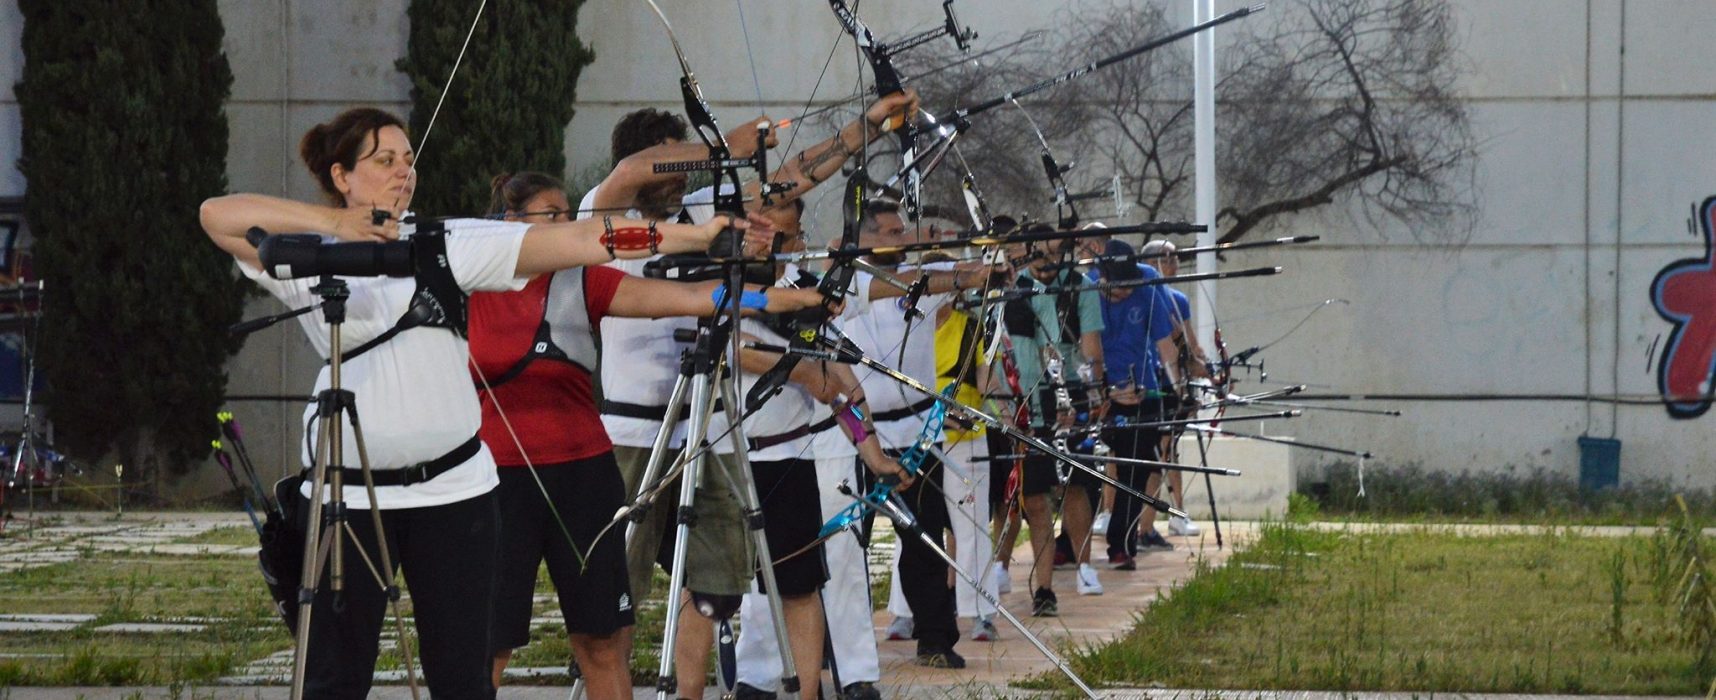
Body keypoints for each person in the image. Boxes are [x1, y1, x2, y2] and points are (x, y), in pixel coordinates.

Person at [199, 107, 758, 699]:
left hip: (455, 496)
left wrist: (696, 235)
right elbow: (217, 215)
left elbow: (580, 237)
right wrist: (337, 227)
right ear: (342, 175)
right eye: (384, 160)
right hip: (350, 497)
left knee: (463, 679)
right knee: (335, 675)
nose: (403, 172)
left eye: (408, 159)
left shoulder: (446, 241)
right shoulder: (306, 253)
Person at [585, 91, 920, 700]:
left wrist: (862, 129)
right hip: (634, 433)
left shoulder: (697, 215)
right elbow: (632, 174)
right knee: (616, 599)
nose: (685, 172)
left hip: (706, 430)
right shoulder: (601, 214)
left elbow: (790, 182)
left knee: (714, 587)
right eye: (673, 159)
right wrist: (719, 149)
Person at [467, 172, 827, 696]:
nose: (567, 226)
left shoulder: (583, 278)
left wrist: (785, 300)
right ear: (509, 223)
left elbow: (691, 298)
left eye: (570, 215)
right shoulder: (474, 275)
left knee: (602, 638)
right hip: (501, 478)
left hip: (583, 474)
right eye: (552, 216)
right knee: (490, 642)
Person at [999, 223, 1107, 616]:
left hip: (1069, 391)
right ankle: (1010, 571)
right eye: (1038, 253)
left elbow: (1091, 347)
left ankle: (1083, 566)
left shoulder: (1080, 285)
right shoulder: (1014, 287)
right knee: (1029, 494)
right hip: (1022, 399)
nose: (1047, 262)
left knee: (1078, 482)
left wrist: (1092, 389)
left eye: (1054, 253)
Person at [1091, 240, 1182, 570]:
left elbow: (1165, 345)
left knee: (1137, 470)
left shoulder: (1147, 282)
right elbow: (1082, 351)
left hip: (1144, 391)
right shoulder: (1086, 291)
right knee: (1087, 474)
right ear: (1102, 275)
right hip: (1099, 394)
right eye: (1118, 287)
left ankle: (1122, 543)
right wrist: (1107, 393)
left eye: (1130, 285)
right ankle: (1070, 544)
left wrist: (1179, 389)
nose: (1126, 292)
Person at [1140, 239, 1211, 539]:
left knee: (1169, 450)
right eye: (1166, 259)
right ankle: (1127, 519)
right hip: (1146, 380)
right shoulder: (1138, 294)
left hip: (1172, 383)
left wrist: (1202, 367)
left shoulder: (1178, 299)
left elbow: (1191, 344)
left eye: (1175, 259)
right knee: (1149, 454)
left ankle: (1177, 514)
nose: (1173, 264)